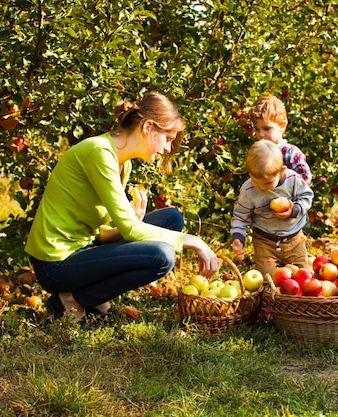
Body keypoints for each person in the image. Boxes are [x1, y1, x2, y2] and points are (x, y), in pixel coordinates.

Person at [25, 92, 219, 326]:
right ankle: (73, 299)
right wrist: (194, 241)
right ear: (148, 126)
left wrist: (128, 225)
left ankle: (92, 298)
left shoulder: (122, 164)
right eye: (168, 138)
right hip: (56, 264)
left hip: (83, 248)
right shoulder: (100, 152)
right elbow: (130, 230)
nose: (168, 148)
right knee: (162, 256)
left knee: (171, 219)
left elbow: (102, 232)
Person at [230, 140, 314, 278]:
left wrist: (294, 209)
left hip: (294, 239)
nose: (262, 187)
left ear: (281, 171)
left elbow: (306, 196)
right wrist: (238, 236)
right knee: (267, 279)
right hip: (264, 241)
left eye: (268, 183)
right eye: (256, 182)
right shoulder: (248, 190)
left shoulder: (293, 180)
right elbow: (240, 215)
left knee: (302, 278)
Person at [248, 95, 312, 185]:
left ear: (282, 126)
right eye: (257, 129)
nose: (261, 134)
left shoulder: (290, 153)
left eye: (267, 129)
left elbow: (304, 178)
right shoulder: (257, 153)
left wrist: (286, 192)